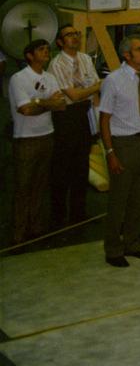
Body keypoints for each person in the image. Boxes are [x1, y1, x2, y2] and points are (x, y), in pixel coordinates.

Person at [99, 36, 140, 266]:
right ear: (126, 55)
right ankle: (113, 248)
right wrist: (110, 152)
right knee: (119, 198)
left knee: (138, 196)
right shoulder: (114, 81)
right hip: (123, 143)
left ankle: (131, 241)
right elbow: (105, 118)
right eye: (139, 50)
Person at [8, 39, 63, 246]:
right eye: (41, 50)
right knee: (23, 188)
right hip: (26, 139)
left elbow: (60, 105)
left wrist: (39, 101)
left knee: (40, 186)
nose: (46, 52)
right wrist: (46, 103)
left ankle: (35, 228)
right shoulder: (18, 78)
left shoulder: (50, 77)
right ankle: (18, 234)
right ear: (30, 55)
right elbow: (25, 110)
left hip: (47, 135)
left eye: (47, 49)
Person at [46, 25, 100, 231]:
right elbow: (74, 95)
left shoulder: (85, 59)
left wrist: (90, 90)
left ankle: (79, 214)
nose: (75, 37)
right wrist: (92, 88)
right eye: (69, 35)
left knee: (81, 165)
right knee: (62, 167)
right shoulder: (57, 64)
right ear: (60, 42)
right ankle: (58, 217)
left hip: (84, 115)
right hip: (65, 117)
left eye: (76, 34)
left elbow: (93, 89)